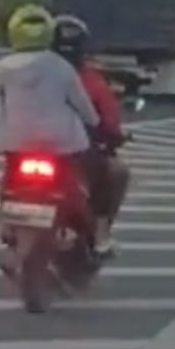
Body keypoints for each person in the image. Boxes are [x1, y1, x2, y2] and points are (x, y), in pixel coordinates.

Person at [0, 5, 101, 285]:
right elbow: (82, 105)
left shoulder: (6, 66)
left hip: (16, 141)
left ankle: (7, 224)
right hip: (58, 142)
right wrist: (94, 121)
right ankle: (75, 231)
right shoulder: (61, 66)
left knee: (10, 181)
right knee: (70, 183)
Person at [51, 14, 132, 258]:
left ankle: (7, 227)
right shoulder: (90, 80)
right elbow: (109, 120)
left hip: (27, 145)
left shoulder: (29, 73)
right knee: (118, 172)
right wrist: (115, 136)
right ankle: (101, 234)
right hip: (79, 154)